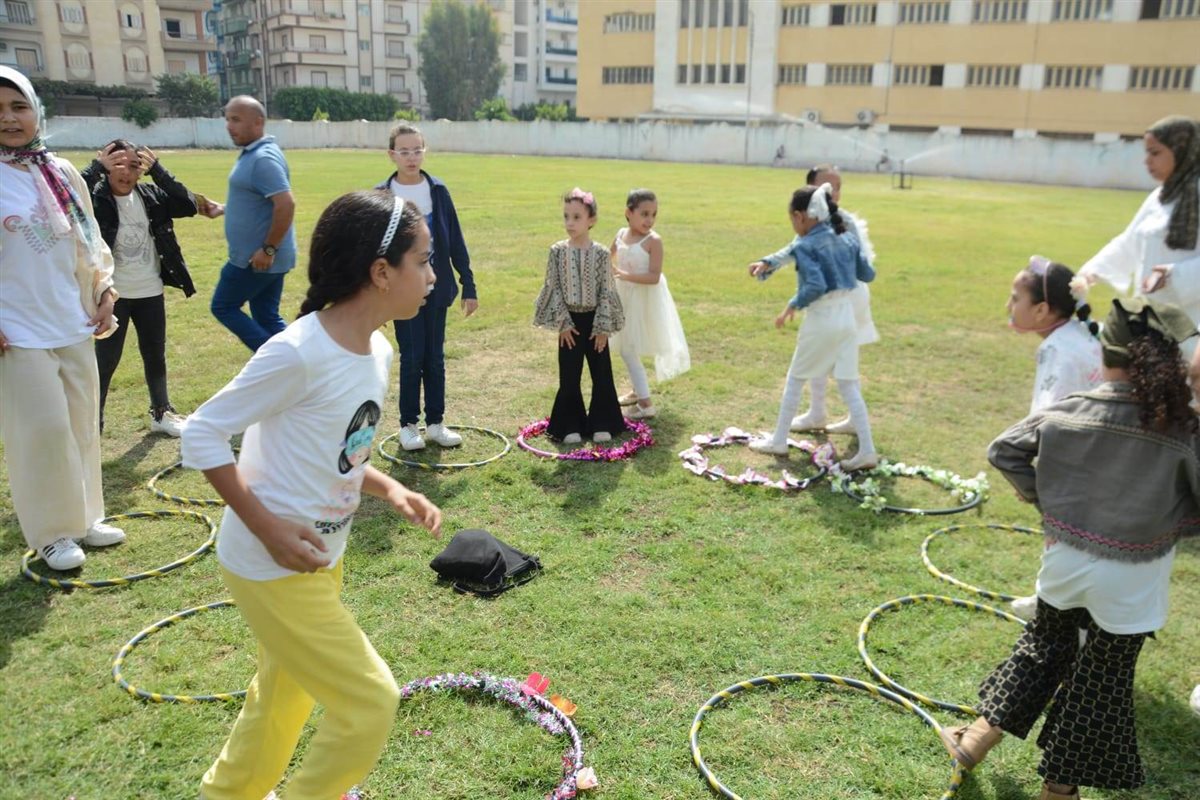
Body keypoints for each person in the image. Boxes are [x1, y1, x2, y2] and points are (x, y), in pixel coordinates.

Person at [182, 191, 442, 800]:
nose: (433, 277)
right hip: (271, 566)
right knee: (371, 701)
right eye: (424, 261)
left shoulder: (377, 349)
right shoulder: (298, 353)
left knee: (283, 696)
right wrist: (269, 528)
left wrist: (388, 486)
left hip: (319, 557)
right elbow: (202, 433)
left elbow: (340, 451)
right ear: (381, 272)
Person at [942, 298, 1200, 800]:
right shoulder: (1182, 429)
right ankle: (1058, 791)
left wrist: (1052, 506)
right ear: (1167, 362)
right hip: (1134, 577)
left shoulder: (1069, 408)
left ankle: (973, 741)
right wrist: (1171, 522)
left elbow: (1004, 450)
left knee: (1042, 649)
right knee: (1100, 682)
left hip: (1065, 561)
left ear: (1105, 354)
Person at [0, 66, 126, 571]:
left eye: (18, 106)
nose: (9, 119)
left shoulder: (61, 171)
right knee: (43, 432)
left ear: (36, 111)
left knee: (80, 425)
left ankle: (86, 517)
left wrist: (104, 290)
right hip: (17, 330)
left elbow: (88, 238)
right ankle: (52, 534)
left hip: (72, 320)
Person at [748, 184, 878, 470]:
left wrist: (792, 305)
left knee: (796, 378)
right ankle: (868, 450)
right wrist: (767, 263)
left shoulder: (806, 244)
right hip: (847, 317)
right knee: (848, 383)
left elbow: (815, 284)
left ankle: (778, 440)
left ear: (800, 216)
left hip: (822, 318)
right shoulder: (845, 237)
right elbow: (867, 273)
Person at [1004, 256, 1103, 621]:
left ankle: (1057, 612)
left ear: (1043, 309)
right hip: (1101, 456)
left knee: (1064, 538)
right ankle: (1053, 602)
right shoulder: (1080, 332)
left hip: (1081, 463)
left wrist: (1034, 474)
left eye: (1016, 298)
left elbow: (1049, 420)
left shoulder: (1058, 350)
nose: (1009, 305)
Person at [82, 139, 198, 436]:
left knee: (155, 355)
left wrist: (158, 171)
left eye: (134, 166)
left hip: (150, 291)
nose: (126, 172)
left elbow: (188, 204)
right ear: (106, 166)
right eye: (117, 164)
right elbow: (67, 200)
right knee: (106, 361)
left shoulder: (151, 196)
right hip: (112, 296)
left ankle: (161, 413)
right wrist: (95, 169)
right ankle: (92, 423)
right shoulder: (94, 198)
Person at [374, 121, 478, 451]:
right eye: (404, 151)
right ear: (391, 154)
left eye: (417, 150)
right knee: (412, 356)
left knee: (434, 357)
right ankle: (408, 426)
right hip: (401, 293)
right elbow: (373, 250)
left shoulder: (438, 191)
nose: (411, 157)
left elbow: (455, 239)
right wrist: (378, 295)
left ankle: (435, 424)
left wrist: (468, 284)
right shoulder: (382, 195)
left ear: (424, 152)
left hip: (436, 288)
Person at [1079, 116, 1200, 340]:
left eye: (1155, 153)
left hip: (1191, 323)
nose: (1147, 161)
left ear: (1182, 151)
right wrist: (1090, 272)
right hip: (1151, 317)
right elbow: (1129, 242)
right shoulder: (1160, 196)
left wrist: (1174, 275)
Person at [201, 96, 297, 352]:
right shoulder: (254, 153)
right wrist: (224, 209)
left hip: (256, 259)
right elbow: (259, 201)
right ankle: (298, 361)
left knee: (223, 306)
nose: (229, 126)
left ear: (258, 122)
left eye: (236, 119)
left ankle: (277, 361)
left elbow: (286, 204)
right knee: (266, 317)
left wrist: (268, 249)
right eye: (227, 119)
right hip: (262, 258)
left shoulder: (263, 158)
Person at [533, 187, 625, 443]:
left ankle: (602, 422)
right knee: (570, 375)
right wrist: (563, 323)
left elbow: (607, 290)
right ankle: (569, 424)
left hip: (595, 322)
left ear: (591, 220)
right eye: (566, 216)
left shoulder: (601, 254)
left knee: (601, 373)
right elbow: (553, 287)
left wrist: (602, 328)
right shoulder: (557, 251)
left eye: (576, 217)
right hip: (570, 324)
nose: (569, 223)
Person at [607, 188, 690, 420]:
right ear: (628, 213)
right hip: (624, 296)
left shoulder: (654, 241)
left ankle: (646, 404)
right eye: (644, 214)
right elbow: (607, 256)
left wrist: (624, 274)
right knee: (628, 344)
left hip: (645, 299)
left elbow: (653, 277)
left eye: (654, 214)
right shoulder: (621, 234)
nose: (650, 220)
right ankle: (637, 391)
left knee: (627, 348)